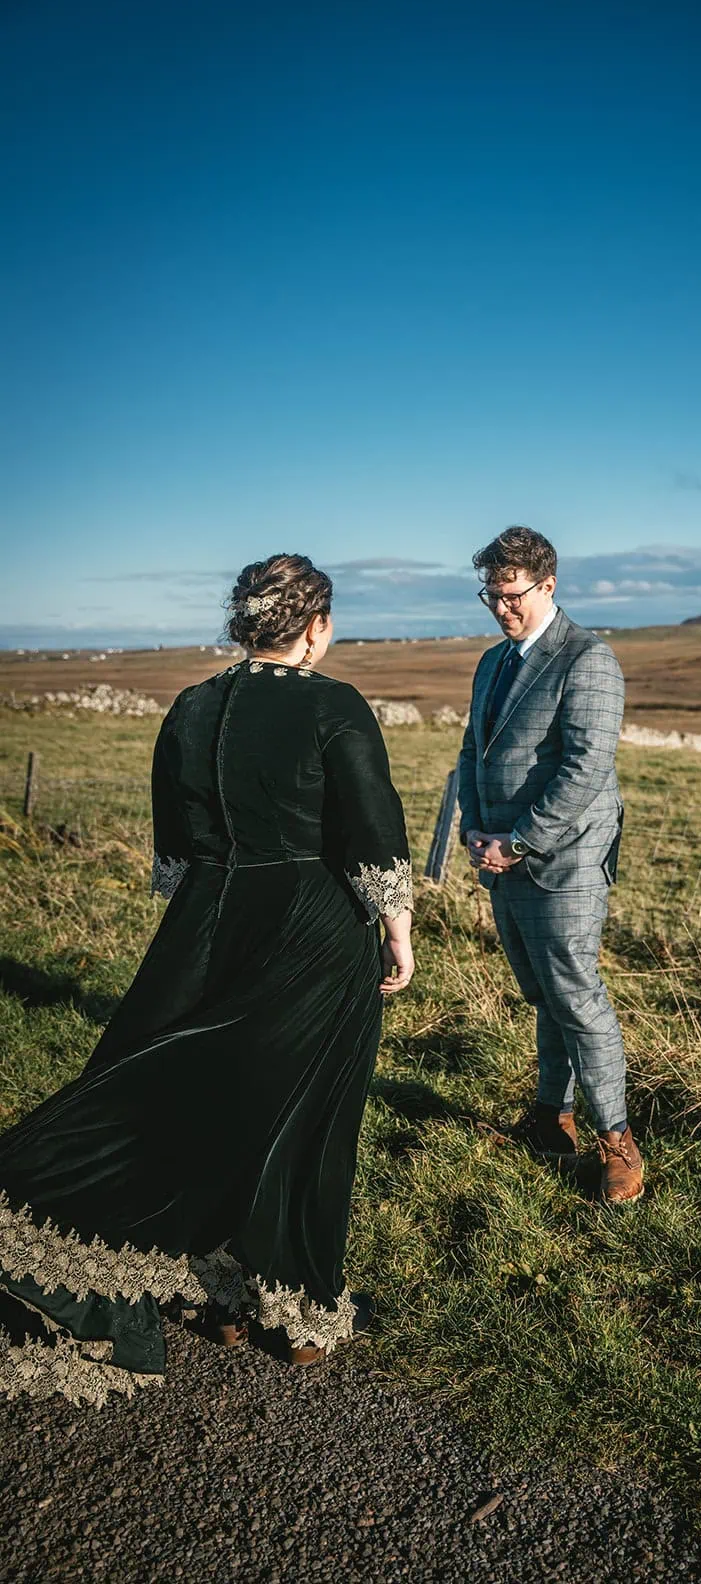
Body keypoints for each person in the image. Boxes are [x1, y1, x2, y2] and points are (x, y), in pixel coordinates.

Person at [0, 554, 414, 1405]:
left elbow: (172, 851)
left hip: (207, 923)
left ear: (244, 623)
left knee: (192, 1095)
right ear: (316, 627)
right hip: (314, 927)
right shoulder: (332, 703)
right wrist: (398, 934)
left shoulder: (189, 705)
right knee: (304, 1120)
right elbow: (372, 831)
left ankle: (220, 1295)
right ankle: (295, 1315)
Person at [457, 527, 643, 1204]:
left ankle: (617, 1141)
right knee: (543, 992)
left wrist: (518, 841)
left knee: (576, 994)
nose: (501, 608)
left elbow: (586, 768)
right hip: (500, 855)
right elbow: (470, 753)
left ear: (548, 585)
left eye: (511, 595)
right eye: (490, 595)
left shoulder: (587, 659)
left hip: (564, 859)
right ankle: (550, 1120)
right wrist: (474, 830)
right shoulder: (491, 662)